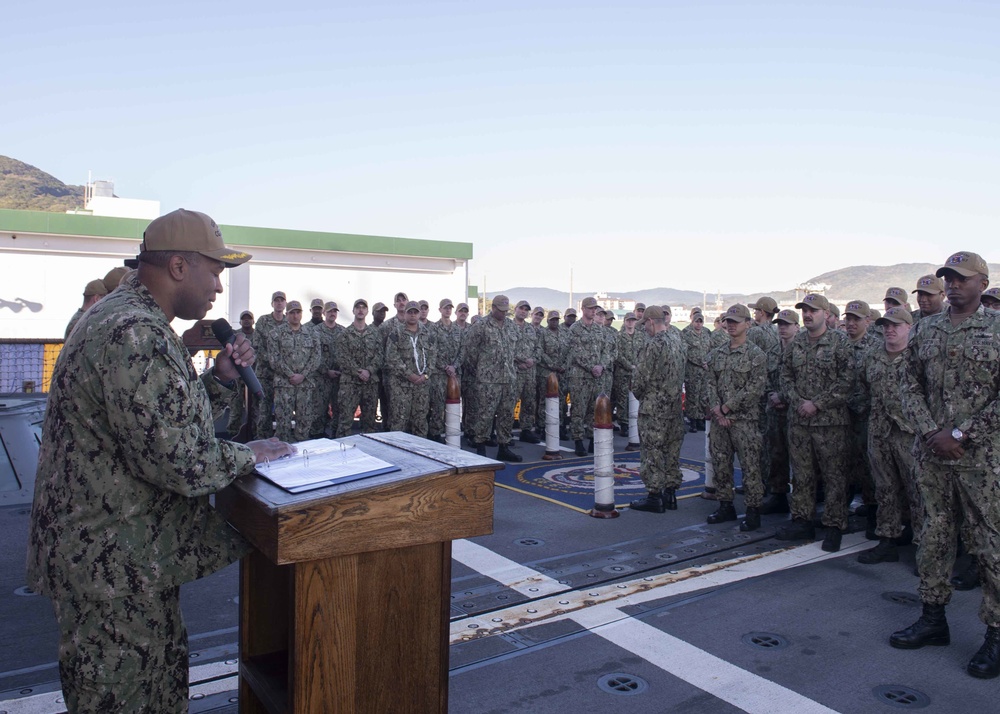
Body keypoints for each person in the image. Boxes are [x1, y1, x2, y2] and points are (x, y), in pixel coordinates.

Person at [26, 209, 293, 712]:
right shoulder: (133, 332)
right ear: (177, 267)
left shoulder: (135, 320)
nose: (218, 287)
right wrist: (247, 455)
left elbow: (158, 422)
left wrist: (222, 379)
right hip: (111, 571)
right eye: (214, 272)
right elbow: (180, 460)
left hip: (123, 565)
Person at [893, 251, 1000, 679]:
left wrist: (961, 434)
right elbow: (909, 385)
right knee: (934, 535)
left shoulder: (996, 330)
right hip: (933, 453)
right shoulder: (927, 329)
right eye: (948, 278)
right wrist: (931, 432)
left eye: (961, 278)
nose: (953, 285)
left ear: (982, 282)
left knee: (990, 544)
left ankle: (995, 634)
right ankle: (933, 617)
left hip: (980, 458)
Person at [776, 292, 854, 552]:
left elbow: (847, 381)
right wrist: (798, 400)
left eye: (813, 310)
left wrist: (817, 403)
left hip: (830, 423)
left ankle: (834, 525)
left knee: (834, 476)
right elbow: (785, 375)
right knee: (801, 474)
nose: (808, 315)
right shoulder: (797, 343)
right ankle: (802, 520)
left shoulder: (840, 343)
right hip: (799, 422)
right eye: (804, 311)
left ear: (826, 314)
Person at [856, 306, 922, 565]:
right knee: (885, 488)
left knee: (917, 491)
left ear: (909, 327)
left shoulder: (918, 357)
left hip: (910, 434)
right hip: (880, 433)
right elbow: (862, 388)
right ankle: (887, 539)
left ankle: (922, 546)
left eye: (896, 325)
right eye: (885, 325)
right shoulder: (873, 356)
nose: (889, 329)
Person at [705, 304, 768, 530]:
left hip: (744, 421)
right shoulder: (717, 353)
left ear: (748, 324)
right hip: (720, 421)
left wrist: (727, 409)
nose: (730, 325)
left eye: (736, 322)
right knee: (721, 464)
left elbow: (755, 389)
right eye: (728, 321)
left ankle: (753, 510)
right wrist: (717, 409)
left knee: (751, 467)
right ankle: (725, 505)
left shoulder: (756, 355)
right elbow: (710, 383)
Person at [629, 306, 686, 513]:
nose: (644, 328)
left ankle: (654, 496)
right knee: (672, 451)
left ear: (652, 322)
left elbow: (639, 380)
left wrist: (641, 395)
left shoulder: (652, 345)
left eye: (645, 324)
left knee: (652, 451)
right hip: (674, 408)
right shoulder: (678, 342)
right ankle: (670, 494)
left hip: (653, 408)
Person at [463, 295, 522, 461]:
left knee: (506, 414)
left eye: (506, 311)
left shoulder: (511, 326)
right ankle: (480, 448)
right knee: (485, 414)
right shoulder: (481, 325)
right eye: (500, 310)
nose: (503, 314)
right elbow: (470, 351)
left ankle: (504, 447)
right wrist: (482, 369)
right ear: (493, 308)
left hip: (508, 378)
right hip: (487, 380)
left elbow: (515, 349)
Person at [760, 309, 800, 514]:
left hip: (796, 412)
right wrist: (772, 396)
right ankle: (778, 494)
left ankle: (803, 501)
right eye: (780, 324)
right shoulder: (774, 351)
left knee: (800, 458)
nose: (782, 328)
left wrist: (784, 397)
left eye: (787, 324)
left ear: (796, 327)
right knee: (776, 454)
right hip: (775, 412)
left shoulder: (802, 350)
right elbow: (765, 378)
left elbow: (803, 382)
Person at [271, 300, 321, 442]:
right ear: (286, 314)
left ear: (302, 314)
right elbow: (274, 358)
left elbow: (316, 357)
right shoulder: (276, 334)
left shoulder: (312, 334)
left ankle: (301, 451)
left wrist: (303, 375)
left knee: (304, 421)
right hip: (284, 385)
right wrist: (290, 375)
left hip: (305, 385)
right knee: (283, 422)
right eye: (292, 312)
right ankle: (281, 453)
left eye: (298, 312)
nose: (295, 315)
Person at [568, 297, 612, 456]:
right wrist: (590, 367)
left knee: (595, 410)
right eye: (591, 308)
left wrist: (601, 366)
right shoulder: (575, 329)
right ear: (583, 309)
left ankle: (593, 439)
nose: (594, 311)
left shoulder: (599, 330)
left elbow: (606, 351)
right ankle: (578, 441)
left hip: (597, 376)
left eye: (595, 309)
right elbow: (574, 352)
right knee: (578, 409)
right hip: (580, 376)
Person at [385, 301, 434, 437]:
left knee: (420, 420)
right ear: (404, 314)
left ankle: (420, 453)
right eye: (409, 312)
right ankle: (396, 453)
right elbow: (391, 357)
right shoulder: (396, 333)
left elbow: (433, 356)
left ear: (419, 314)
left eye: (415, 312)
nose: (412, 315)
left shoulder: (428, 334)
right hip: (401, 385)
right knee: (399, 420)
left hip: (422, 385)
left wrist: (425, 376)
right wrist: (409, 375)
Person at [335, 299, 383, 435]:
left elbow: (380, 356)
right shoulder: (344, 334)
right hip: (350, 384)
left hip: (370, 383)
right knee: (345, 423)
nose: (361, 310)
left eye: (363, 307)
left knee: (370, 424)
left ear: (367, 311)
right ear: (353, 311)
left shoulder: (375, 333)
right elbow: (342, 357)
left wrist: (369, 371)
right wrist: (358, 372)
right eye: (358, 307)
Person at [253, 290, 288, 438]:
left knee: (283, 409)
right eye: (276, 300)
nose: (279, 303)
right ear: (272, 303)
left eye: (282, 300)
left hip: (284, 375)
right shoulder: (263, 321)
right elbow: (257, 345)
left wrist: (282, 366)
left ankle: (281, 440)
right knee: (264, 409)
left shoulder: (290, 321)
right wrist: (274, 361)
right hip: (265, 373)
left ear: (285, 303)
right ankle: (262, 439)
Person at [428, 298, 463, 442]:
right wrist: (444, 367)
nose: (447, 310)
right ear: (440, 310)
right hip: (438, 374)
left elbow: (463, 350)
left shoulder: (457, 329)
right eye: (445, 308)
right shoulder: (433, 329)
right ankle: (435, 434)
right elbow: (431, 351)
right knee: (437, 405)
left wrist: (454, 366)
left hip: (454, 374)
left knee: (453, 405)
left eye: (450, 308)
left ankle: (450, 432)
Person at [309, 301, 343, 438]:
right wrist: (325, 370)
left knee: (338, 408)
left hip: (339, 378)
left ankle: (336, 436)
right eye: (329, 311)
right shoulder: (315, 331)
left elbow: (346, 353)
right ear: (324, 313)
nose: (332, 314)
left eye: (334, 311)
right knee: (318, 410)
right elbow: (313, 355)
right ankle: (317, 436)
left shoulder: (343, 331)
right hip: (321, 378)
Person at [513, 300, 541, 443]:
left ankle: (526, 430)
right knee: (509, 403)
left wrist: (532, 360)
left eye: (526, 309)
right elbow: (506, 348)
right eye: (521, 308)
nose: (523, 311)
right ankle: (504, 434)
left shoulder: (531, 329)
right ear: (515, 309)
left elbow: (538, 348)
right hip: (514, 371)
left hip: (530, 372)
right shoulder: (508, 327)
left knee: (529, 402)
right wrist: (522, 361)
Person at [681, 307, 711, 432]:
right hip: (692, 369)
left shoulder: (707, 333)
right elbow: (685, 352)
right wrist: (700, 362)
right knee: (692, 395)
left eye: (700, 322)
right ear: (692, 322)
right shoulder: (686, 333)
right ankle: (692, 420)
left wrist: (708, 362)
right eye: (696, 321)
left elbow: (711, 349)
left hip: (704, 370)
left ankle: (700, 419)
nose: (698, 324)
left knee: (703, 396)